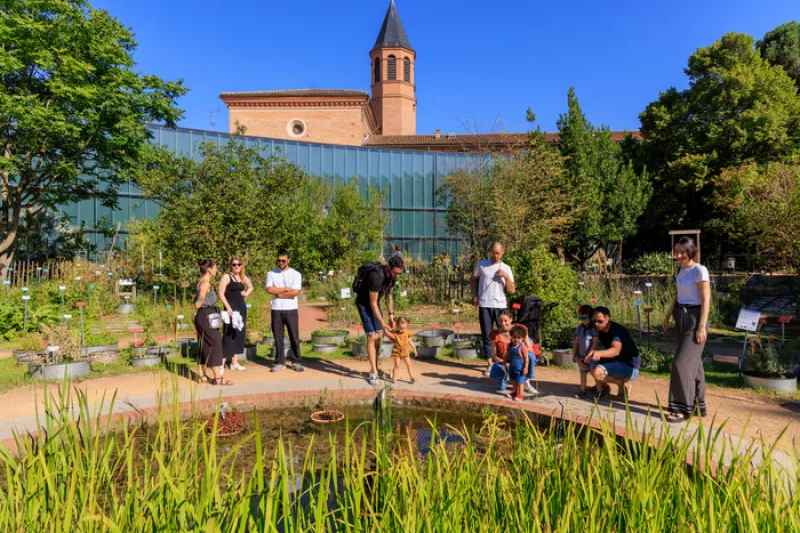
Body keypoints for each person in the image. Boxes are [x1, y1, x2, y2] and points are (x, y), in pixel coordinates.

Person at [663, 237, 710, 423]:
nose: (679, 255)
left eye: (683, 251)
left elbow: (706, 299)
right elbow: (679, 296)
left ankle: (681, 408)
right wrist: (668, 315)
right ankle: (699, 405)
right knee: (694, 364)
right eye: (677, 251)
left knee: (680, 364)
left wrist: (701, 326)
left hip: (695, 318)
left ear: (691, 251)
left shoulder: (700, 270)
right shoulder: (681, 270)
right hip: (681, 317)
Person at [355, 256, 404, 385]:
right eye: (396, 272)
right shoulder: (376, 277)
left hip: (375, 304)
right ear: (389, 268)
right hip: (365, 305)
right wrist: (383, 324)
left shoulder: (392, 278)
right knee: (372, 336)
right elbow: (372, 303)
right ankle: (373, 372)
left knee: (379, 336)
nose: (397, 275)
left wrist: (391, 316)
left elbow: (388, 297)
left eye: (399, 273)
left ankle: (375, 366)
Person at [471, 242, 515, 377]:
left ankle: (506, 362)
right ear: (490, 252)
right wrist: (474, 296)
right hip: (485, 304)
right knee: (487, 334)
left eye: (498, 252)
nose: (495, 255)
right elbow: (472, 279)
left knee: (505, 334)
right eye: (493, 252)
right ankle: (490, 364)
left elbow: (512, 290)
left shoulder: (506, 268)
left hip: (500, 305)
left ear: (502, 251)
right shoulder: (482, 265)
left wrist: (505, 276)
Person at [586, 306, 640, 400]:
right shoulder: (600, 329)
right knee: (592, 362)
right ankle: (601, 389)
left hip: (630, 367)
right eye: (594, 321)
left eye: (600, 321)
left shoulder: (617, 331)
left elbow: (616, 350)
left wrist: (599, 353)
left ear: (608, 318)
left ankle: (623, 384)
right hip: (615, 362)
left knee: (597, 371)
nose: (596, 324)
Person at [193, 259, 231, 386]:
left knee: (204, 344)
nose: (216, 270)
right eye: (215, 267)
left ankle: (203, 376)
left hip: (204, 316)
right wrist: (199, 302)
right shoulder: (205, 284)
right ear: (209, 269)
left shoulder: (201, 282)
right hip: (206, 316)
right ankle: (218, 378)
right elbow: (198, 303)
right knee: (215, 344)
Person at [266, 249, 304, 372]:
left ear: (288, 260)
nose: (281, 262)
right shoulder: (271, 273)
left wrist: (280, 293)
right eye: (279, 260)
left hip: (291, 308)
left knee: (294, 335)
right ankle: (279, 361)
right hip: (276, 308)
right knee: (278, 336)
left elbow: (295, 292)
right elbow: (270, 289)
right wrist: (285, 290)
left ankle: (296, 361)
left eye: (283, 260)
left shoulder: (296, 274)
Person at [488, 310, 538, 394]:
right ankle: (503, 379)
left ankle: (526, 381)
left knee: (531, 356)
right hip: (505, 360)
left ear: (511, 319)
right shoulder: (495, 334)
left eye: (505, 320)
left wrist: (522, 358)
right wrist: (506, 363)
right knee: (501, 387)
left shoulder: (519, 329)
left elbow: (530, 348)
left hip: (519, 359)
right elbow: (495, 356)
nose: (503, 323)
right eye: (501, 321)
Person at [218, 257, 254, 372]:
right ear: (230, 265)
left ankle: (234, 362)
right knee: (229, 334)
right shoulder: (226, 277)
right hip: (231, 308)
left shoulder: (242, 277)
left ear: (242, 265)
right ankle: (221, 363)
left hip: (241, 307)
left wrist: (246, 293)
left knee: (239, 333)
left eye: (239, 264)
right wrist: (228, 307)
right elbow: (220, 293)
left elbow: (251, 287)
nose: (237, 266)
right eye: (234, 264)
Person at [573, 304, 599, 398]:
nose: (583, 320)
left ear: (591, 317)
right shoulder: (579, 329)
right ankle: (582, 390)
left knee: (595, 373)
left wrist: (589, 355)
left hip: (592, 357)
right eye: (581, 317)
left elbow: (595, 343)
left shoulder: (594, 329)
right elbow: (577, 342)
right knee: (583, 374)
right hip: (582, 355)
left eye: (586, 318)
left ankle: (599, 391)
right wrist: (574, 354)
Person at [383, 316, 417, 383]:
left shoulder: (407, 333)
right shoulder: (395, 333)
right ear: (397, 326)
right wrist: (384, 327)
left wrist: (414, 349)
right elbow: (387, 334)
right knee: (397, 365)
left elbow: (410, 341)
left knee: (409, 365)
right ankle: (394, 378)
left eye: (404, 328)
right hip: (397, 352)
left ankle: (412, 377)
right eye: (401, 328)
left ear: (406, 325)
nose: (402, 330)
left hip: (405, 351)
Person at [505, 325, 529, 402]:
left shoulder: (522, 347)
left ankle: (520, 394)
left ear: (522, 338)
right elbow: (507, 354)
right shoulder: (510, 345)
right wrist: (504, 362)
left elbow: (526, 358)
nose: (515, 340)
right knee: (513, 380)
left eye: (518, 338)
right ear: (511, 336)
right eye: (513, 337)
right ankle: (515, 392)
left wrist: (525, 367)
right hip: (512, 367)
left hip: (520, 368)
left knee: (520, 382)